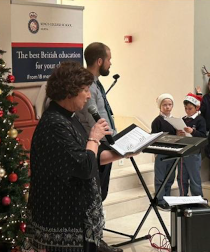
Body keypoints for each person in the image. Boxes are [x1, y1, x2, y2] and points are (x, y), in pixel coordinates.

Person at [25, 61, 127, 252]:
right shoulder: (55, 124)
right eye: (85, 90)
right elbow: (85, 167)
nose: (89, 95)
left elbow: (87, 157)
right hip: (63, 222)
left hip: (76, 218)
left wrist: (120, 153)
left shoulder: (69, 117)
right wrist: (94, 137)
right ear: (69, 91)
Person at [76, 42, 116, 203]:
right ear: (99, 61)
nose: (110, 63)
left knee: (101, 193)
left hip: (104, 142)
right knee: (97, 194)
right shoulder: (89, 87)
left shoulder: (94, 83)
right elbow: (94, 120)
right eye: (109, 59)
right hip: (98, 145)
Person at [176, 93, 207, 197]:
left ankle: (197, 201)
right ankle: (183, 198)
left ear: (196, 107)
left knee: (194, 179)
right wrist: (179, 134)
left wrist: (192, 131)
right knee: (181, 178)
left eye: (190, 108)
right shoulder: (183, 119)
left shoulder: (200, 120)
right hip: (182, 152)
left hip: (194, 153)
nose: (187, 111)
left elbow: (203, 136)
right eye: (186, 108)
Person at [151, 93, 177, 210]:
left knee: (170, 177)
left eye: (170, 104)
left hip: (173, 151)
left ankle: (167, 197)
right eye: (165, 105)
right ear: (160, 106)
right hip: (161, 152)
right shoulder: (157, 121)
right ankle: (159, 199)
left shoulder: (174, 120)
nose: (167, 107)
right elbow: (153, 137)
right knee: (160, 177)